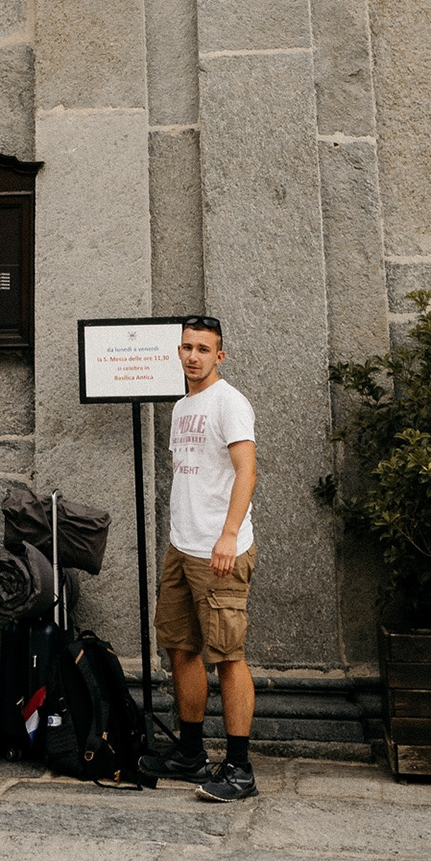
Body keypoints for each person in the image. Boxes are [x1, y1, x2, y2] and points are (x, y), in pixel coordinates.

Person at [155, 315, 258, 802]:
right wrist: (182, 540)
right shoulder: (182, 406)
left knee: (228, 657)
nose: (193, 356)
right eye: (187, 347)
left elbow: (246, 471)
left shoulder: (229, 402)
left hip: (220, 550)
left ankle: (239, 768)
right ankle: (191, 753)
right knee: (181, 649)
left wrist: (228, 535)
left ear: (220, 355)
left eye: (203, 349)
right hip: (182, 547)